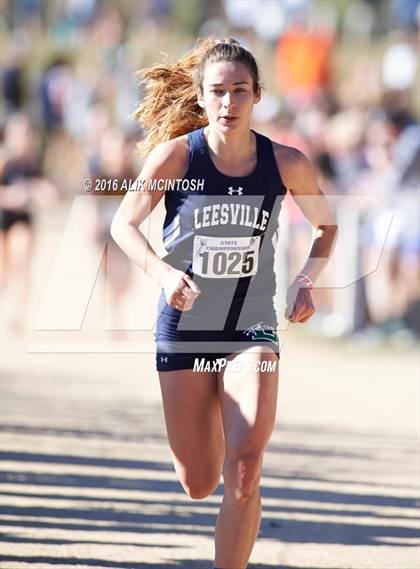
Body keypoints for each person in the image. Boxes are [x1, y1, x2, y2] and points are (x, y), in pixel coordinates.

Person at [111, 37, 338, 569]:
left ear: (258, 94)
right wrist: (164, 274)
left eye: (240, 91)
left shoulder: (285, 162)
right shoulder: (176, 157)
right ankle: (216, 421)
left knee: (245, 470)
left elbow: (328, 227)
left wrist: (307, 278)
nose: (228, 103)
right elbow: (123, 224)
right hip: (185, 328)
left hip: (250, 328)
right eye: (218, 92)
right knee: (198, 481)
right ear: (201, 95)